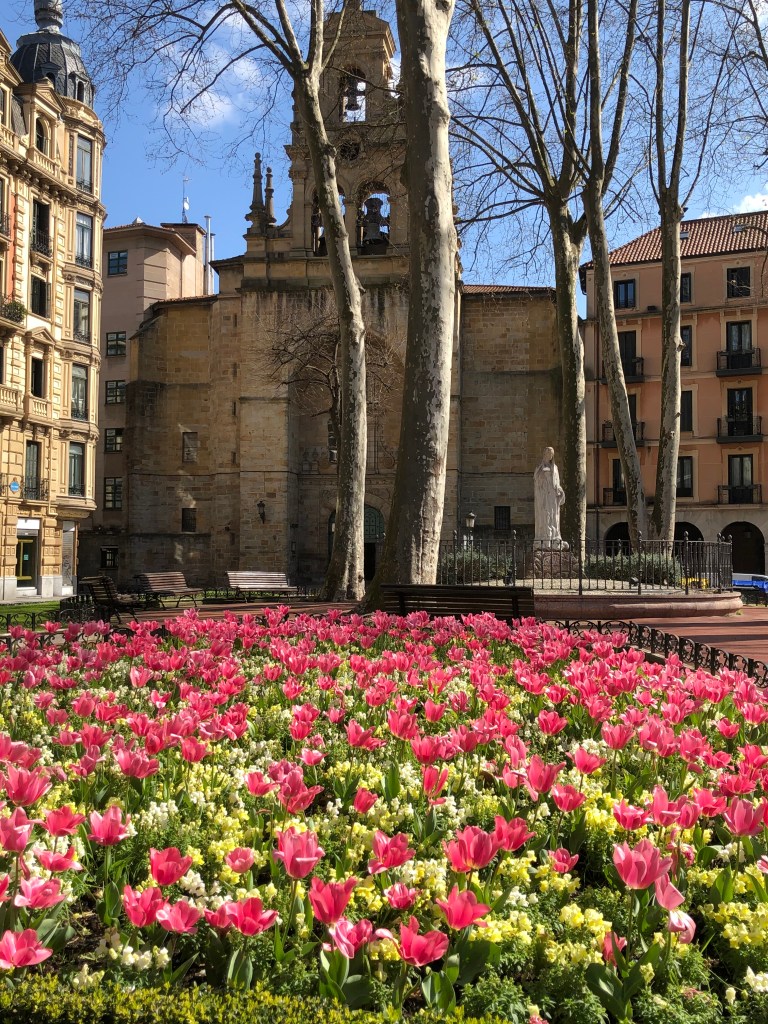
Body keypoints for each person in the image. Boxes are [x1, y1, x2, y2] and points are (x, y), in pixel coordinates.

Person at [534, 446, 565, 546]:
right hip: (543, 494)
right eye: (548, 453)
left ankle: (554, 537)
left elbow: (557, 482)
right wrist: (543, 475)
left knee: (553, 516)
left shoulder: (555, 468)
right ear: (544, 454)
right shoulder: (539, 467)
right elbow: (536, 480)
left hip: (552, 495)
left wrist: (560, 490)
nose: (550, 456)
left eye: (551, 454)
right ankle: (544, 538)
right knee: (544, 514)